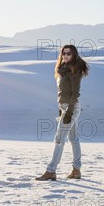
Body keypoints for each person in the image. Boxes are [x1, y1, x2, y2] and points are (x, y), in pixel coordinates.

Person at [36, 44, 89, 181]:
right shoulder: (62, 70)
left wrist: (69, 112)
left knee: (59, 139)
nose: (65, 55)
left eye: (69, 53)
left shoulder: (74, 71)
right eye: (64, 53)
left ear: (74, 55)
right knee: (73, 138)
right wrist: (62, 109)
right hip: (65, 107)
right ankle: (76, 170)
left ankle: (51, 171)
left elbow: (75, 93)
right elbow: (63, 93)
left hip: (71, 108)